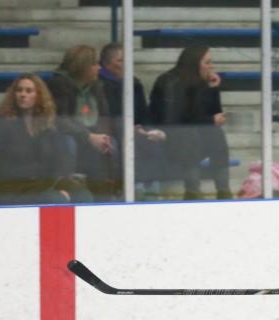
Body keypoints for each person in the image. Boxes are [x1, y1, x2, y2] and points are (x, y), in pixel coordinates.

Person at [0, 74, 92, 206]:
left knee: (83, 195)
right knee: (55, 199)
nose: (23, 94)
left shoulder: (47, 126)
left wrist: (60, 185)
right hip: (12, 191)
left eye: (29, 91)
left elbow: (58, 161)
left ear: (38, 96)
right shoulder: (2, 126)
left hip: (42, 186)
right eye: (19, 90)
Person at [150, 45, 231, 200]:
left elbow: (213, 116)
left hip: (196, 137)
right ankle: (193, 192)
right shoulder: (170, 81)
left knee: (216, 133)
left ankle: (224, 192)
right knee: (189, 134)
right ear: (194, 63)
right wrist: (210, 120)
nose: (211, 66)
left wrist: (213, 89)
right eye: (207, 63)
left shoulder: (201, 81)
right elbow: (176, 119)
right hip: (168, 136)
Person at [47, 45, 118, 201]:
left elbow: (104, 117)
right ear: (83, 66)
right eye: (94, 64)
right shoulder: (59, 84)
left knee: (111, 143)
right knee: (68, 143)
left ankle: (108, 192)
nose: (99, 68)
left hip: (89, 135)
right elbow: (60, 120)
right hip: (66, 136)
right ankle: (66, 184)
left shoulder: (97, 86)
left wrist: (102, 136)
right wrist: (88, 136)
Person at [98, 42, 168, 201]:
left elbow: (144, 115)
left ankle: (150, 193)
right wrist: (131, 130)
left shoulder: (134, 84)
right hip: (115, 132)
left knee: (152, 140)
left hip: (135, 131)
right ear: (107, 64)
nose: (126, 65)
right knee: (127, 142)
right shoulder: (99, 84)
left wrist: (148, 130)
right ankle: (131, 191)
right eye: (121, 60)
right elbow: (105, 117)